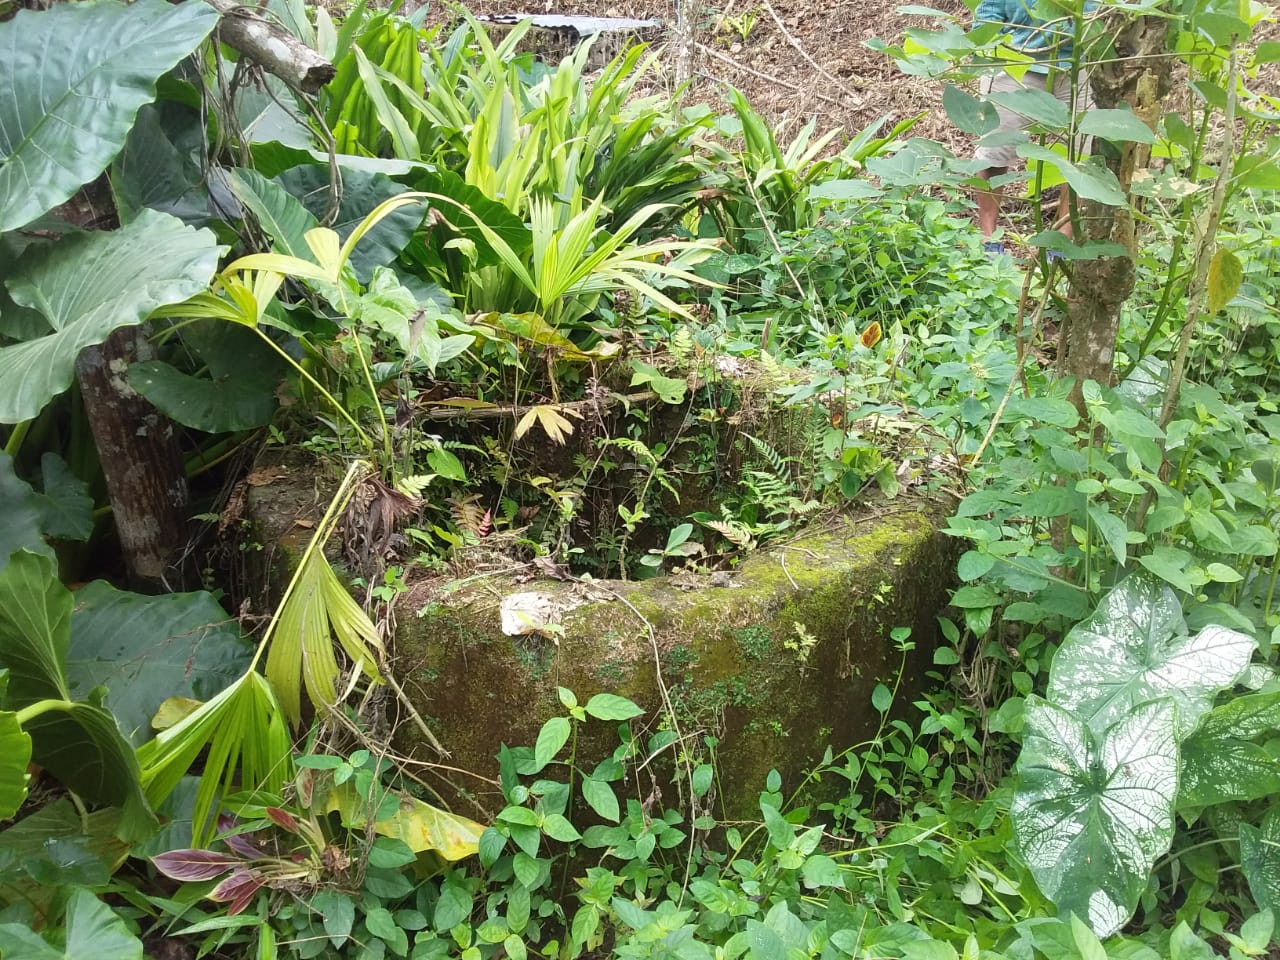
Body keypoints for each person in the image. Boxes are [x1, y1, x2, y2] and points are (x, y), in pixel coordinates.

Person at [970, 0, 1090, 256]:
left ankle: (1061, 243)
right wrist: (995, 47)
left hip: (1076, 64)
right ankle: (988, 240)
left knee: (1081, 157)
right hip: (1014, 61)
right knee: (994, 150)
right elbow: (988, 12)